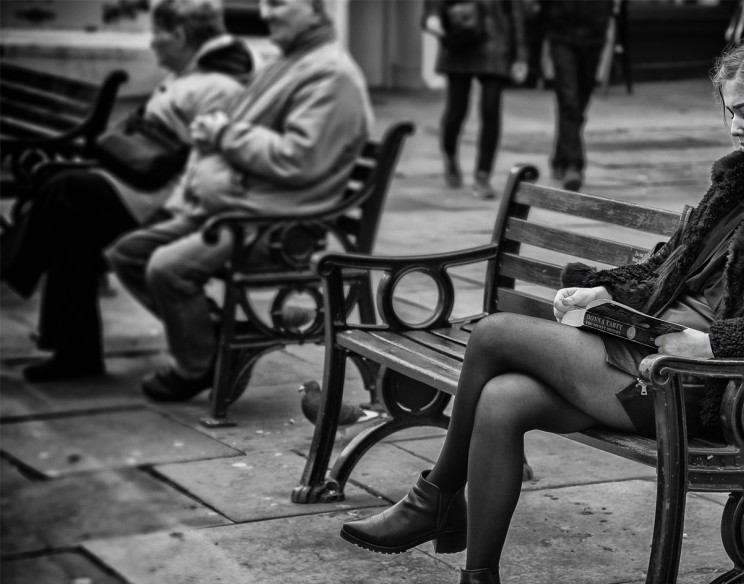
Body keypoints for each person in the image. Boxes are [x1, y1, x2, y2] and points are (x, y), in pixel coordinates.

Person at [340, 28, 744, 584]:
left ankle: (433, 500)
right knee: (502, 402)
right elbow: (668, 269)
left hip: (709, 388)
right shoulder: (741, 182)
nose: (734, 129)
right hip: (650, 356)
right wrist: (600, 293)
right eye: (729, 113)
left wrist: (712, 343)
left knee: (491, 333)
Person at [105, 0, 373, 402]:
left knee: (166, 269)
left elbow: (298, 158)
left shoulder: (331, 75)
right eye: (265, 4)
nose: (266, 14)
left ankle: (197, 366)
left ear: (316, 12)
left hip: (274, 223)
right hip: (237, 207)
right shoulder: (287, 63)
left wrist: (223, 134)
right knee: (129, 254)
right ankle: (214, 340)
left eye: (279, 4)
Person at [1, 0, 253, 382]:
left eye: (158, 35)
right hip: (144, 194)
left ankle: (9, 269)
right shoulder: (192, 76)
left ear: (181, 36)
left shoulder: (217, 86)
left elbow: (213, 162)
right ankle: (76, 355)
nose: (152, 44)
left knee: (65, 188)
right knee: (75, 238)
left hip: (169, 207)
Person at [423, 0, 529, 199]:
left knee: (490, 110)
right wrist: (433, 16)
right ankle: (450, 153)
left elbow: (515, 12)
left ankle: (483, 175)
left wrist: (521, 56)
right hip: (460, 40)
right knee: (456, 111)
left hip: (495, 44)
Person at [538, 0, 614, 192]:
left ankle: (559, 156)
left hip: (593, 35)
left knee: (579, 104)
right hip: (562, 33)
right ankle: (574, 164)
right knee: (569, 99)